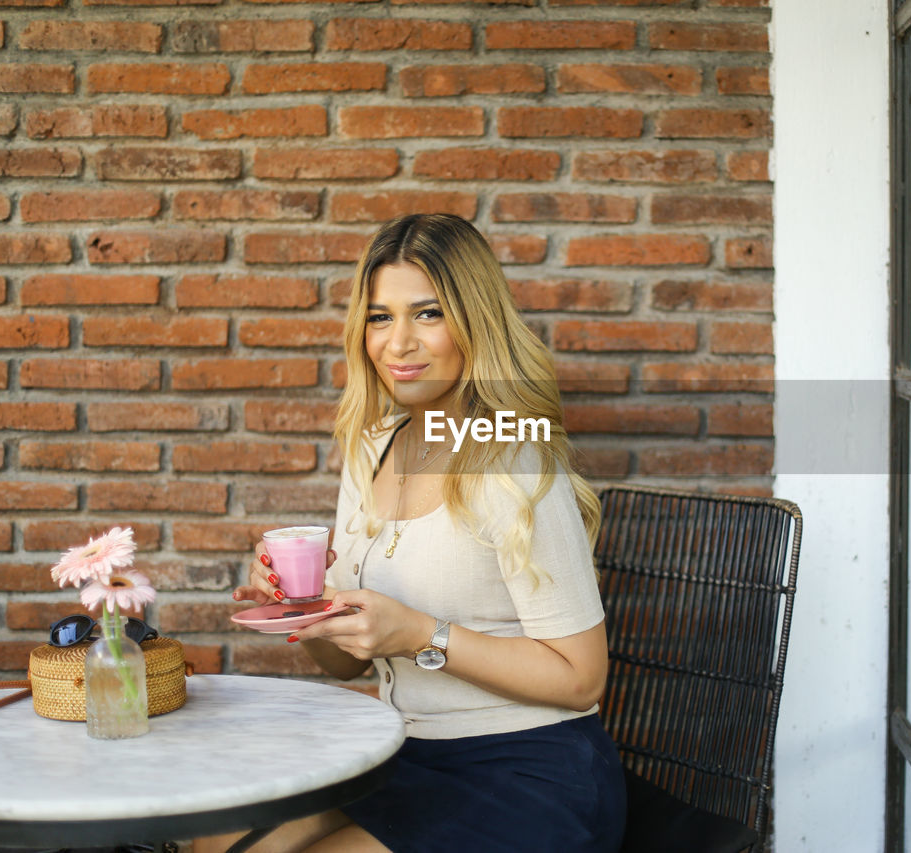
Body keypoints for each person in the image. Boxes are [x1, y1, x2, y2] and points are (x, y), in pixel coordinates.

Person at [199, 214, 626, 853]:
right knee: (212, 841)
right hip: (402, 752)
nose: (398, 343)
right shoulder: (372, 446)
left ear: (474, 320)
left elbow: (582, 678)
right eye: (380, 317)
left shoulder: (513, 457)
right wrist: (298, 610)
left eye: (427, 314)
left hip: (527, 769)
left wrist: (422, 634)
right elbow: (347, 663)